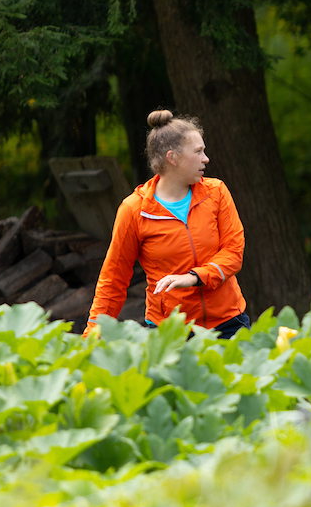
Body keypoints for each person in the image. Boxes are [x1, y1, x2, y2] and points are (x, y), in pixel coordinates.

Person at [86, 110, 250, 338]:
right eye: (198, 152)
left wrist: (194, 277)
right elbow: (113, 279)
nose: (206, 158)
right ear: (173, 158)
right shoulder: (134, 210)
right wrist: (91, 338)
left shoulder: (217, 192)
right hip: (171, 331)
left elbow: (234, 252)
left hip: (229, 322)